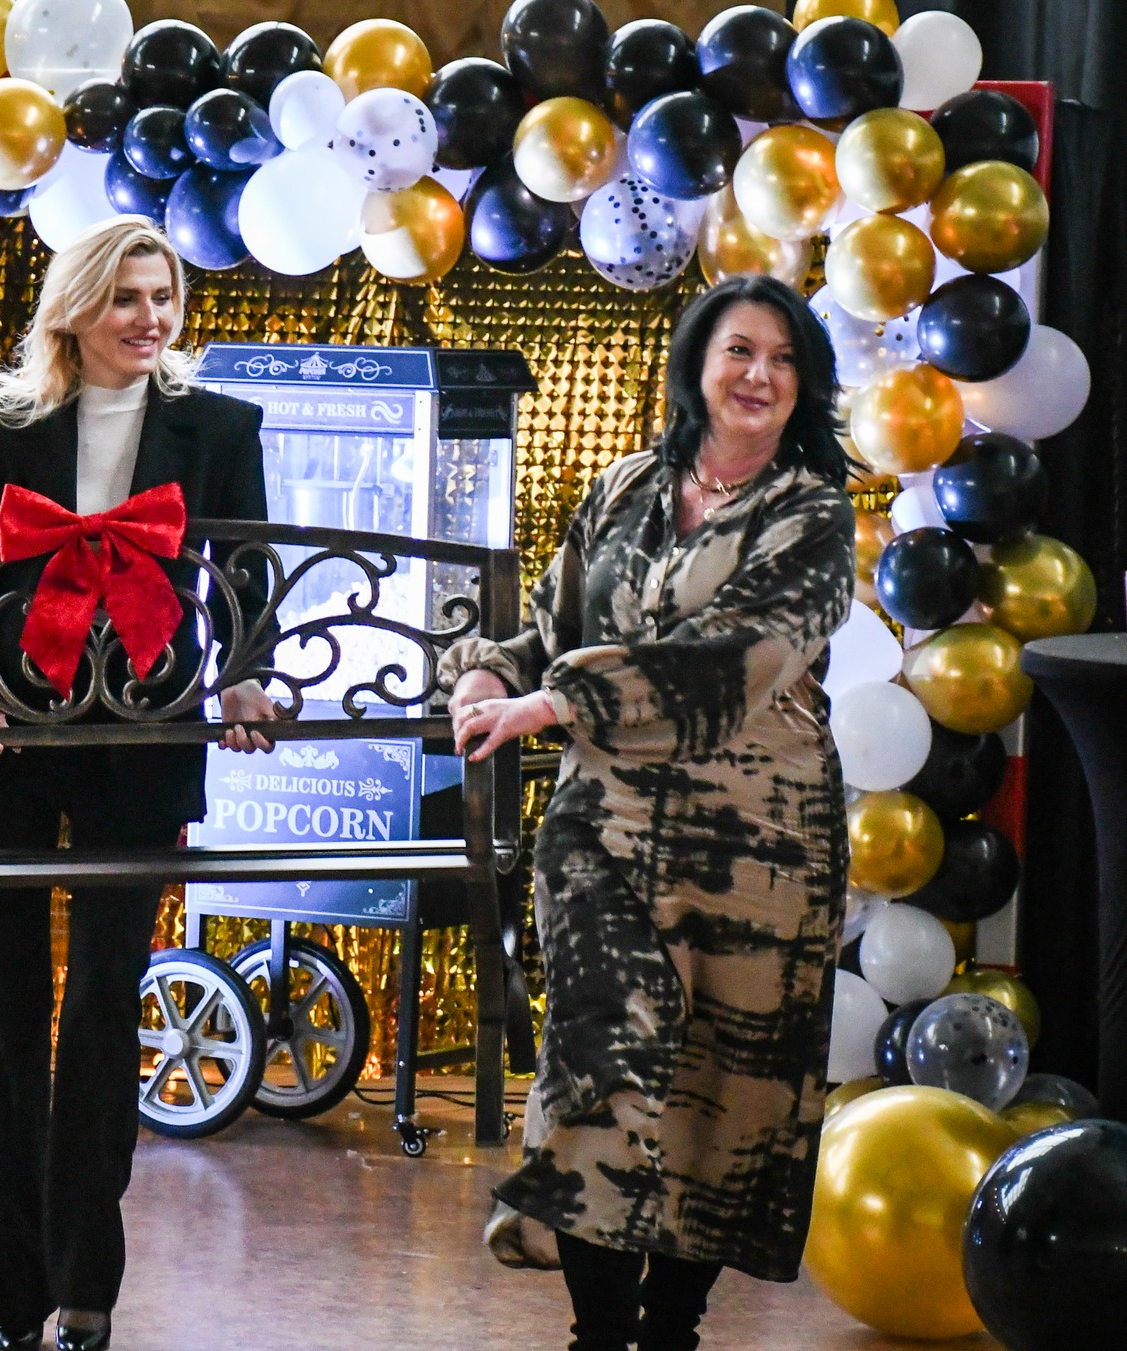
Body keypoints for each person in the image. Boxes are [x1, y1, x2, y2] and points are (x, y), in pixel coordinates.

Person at [442, 275, 856, 1351]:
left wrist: (555, 701)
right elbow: (552, 625)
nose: (759, 374)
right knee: (599, 1068)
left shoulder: (813, 514)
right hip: (605, 832)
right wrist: (489, 672)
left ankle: (672, 1330)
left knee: (717, 1095)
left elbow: (734, 660)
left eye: (783, 358)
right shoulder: (626, 484)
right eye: (739, 350)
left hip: (757, 847)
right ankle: (598, 1331)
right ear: (696, 364)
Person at [0, 216, 275, 1351]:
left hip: (142, 740)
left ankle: (86, 1282)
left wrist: (247, 674)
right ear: (74, 309)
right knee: (6, 1012)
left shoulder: (221, 426)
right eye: (125, 297)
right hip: (4, 741)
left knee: (105, 1001)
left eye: (162, 296)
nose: (149, 318)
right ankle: (5, 1291)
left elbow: (247, 575)